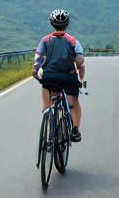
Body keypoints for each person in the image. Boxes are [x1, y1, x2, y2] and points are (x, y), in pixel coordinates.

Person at [33, 9, 85, 142]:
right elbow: (79, 60)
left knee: (47, 96)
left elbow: (38, 60)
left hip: (50, 77)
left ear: (51, 23)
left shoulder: (45, 40)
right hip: (68, 77)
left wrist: (36, 73)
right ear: (67, 24)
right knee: (73, 103)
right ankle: (75, 131)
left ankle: (48, 119)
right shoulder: (73, 41)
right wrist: (78, 72)